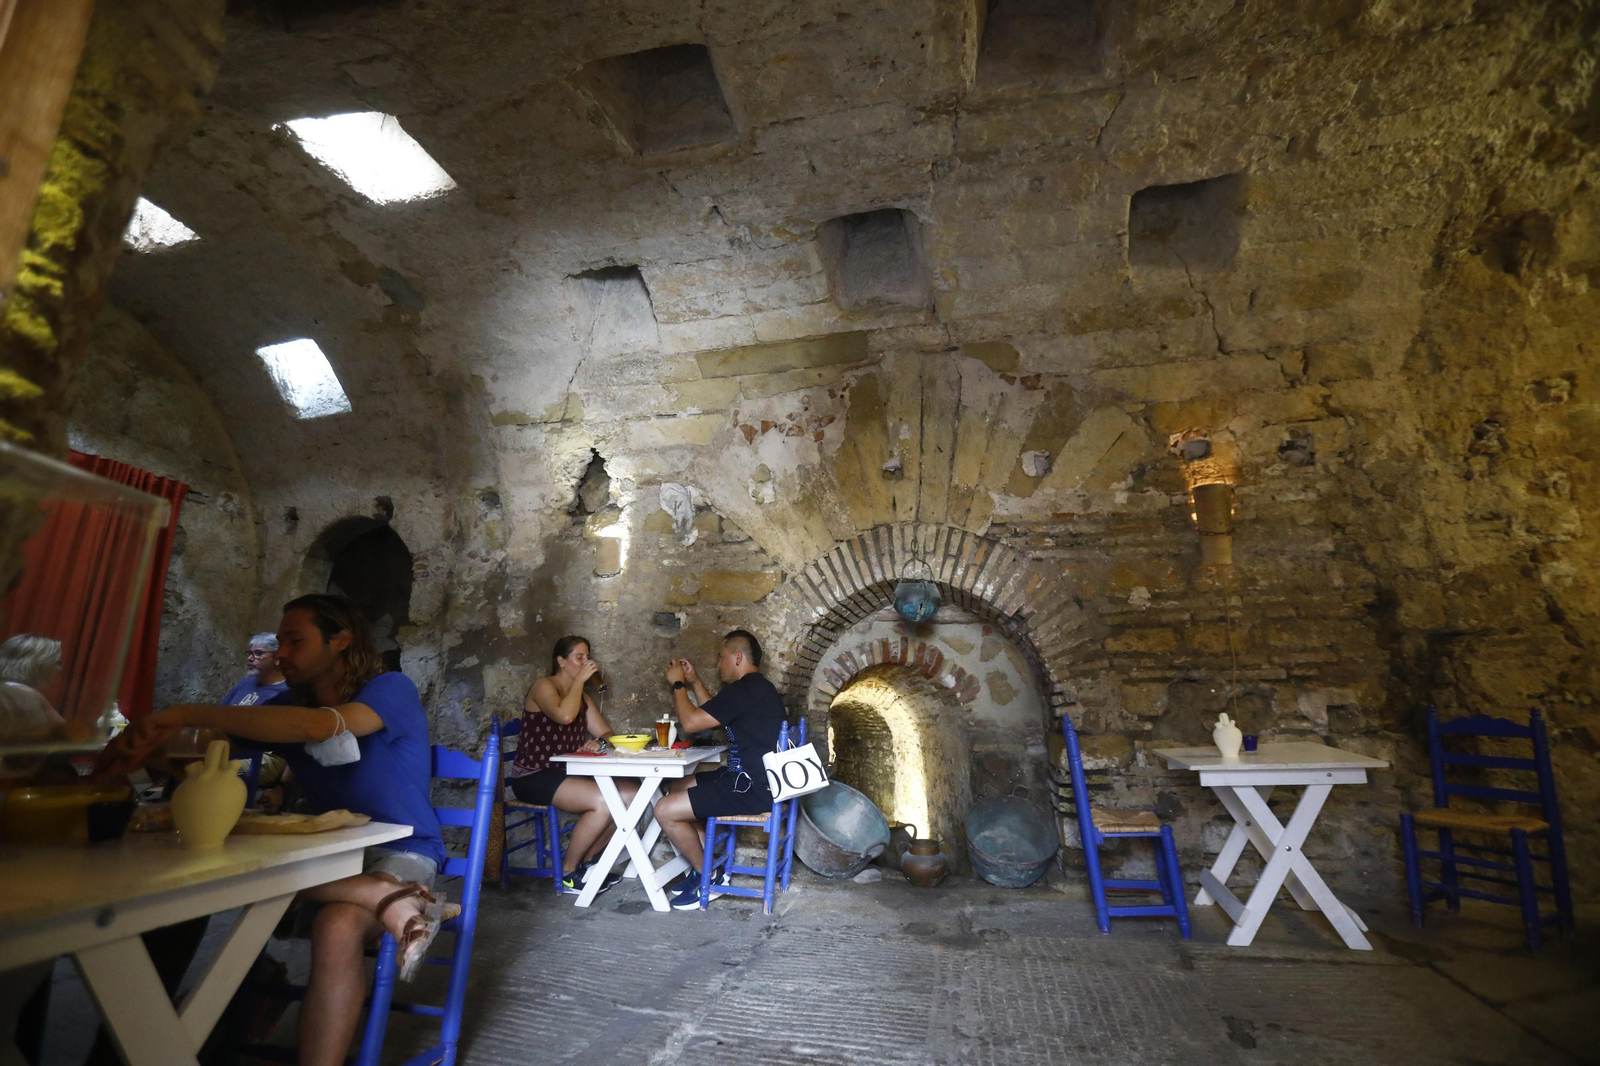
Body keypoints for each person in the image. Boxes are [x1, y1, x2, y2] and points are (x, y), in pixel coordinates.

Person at [101, 594, 447, 1066]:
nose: (281, 652)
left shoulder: (390, 689)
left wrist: (184, 711)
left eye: (295, 640)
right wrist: (152, 744)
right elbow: (207, 747)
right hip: (328, 850)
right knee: (197, 878)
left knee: (338, 925)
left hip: (404, 848)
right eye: (279, 641)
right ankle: (381, 896)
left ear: (340, 640)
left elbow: (322, 726)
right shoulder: (285, 704)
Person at [654, 629, 787, 910]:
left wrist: (678, 685)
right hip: (750, 780)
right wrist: (694, 682)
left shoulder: (745, 689)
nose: (718, 664)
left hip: (750, 788)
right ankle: (705, 865)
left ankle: (707, 876)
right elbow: (715, 715)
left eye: (721, 657)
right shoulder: (754, 688)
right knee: (678, 786)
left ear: (737, 657)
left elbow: (691, 723)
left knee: (664, 809)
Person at [508, 635, 635, 894]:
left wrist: (598, 744)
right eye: (579, 657)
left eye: (588, 657)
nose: (586, 662)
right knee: (602, 802)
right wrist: (579, 681)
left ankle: (588, 863)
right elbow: (564, 716)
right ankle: (568, 871)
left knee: (631, 795)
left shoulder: (584, 699)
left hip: (569, 774)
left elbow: (608, 734)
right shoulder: (544, 686)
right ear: (561, 661)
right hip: (534, 775)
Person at [0, 634, 67, 741]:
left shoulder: (6, 689)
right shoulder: (27, 694)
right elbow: (69, 736)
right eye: (57, 662)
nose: (60, 669)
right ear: (38, 664)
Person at [221, 632, 289, 705]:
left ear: (277, 658)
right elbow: (220, 712)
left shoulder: (284, 694)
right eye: (250, 653)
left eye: (258, 653)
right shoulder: (246, 683)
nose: (250, 658)